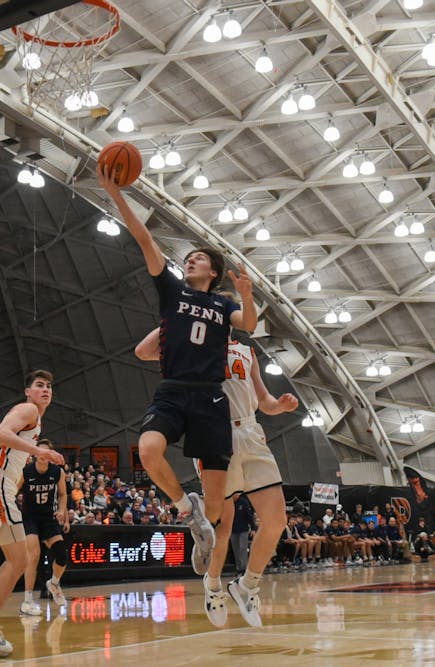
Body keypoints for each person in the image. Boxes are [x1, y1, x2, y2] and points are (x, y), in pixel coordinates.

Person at [99, 164, 257, 575]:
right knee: (148, 451)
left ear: (214, 272)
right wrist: (115, 193)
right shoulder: (171, 292)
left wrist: (245, 296)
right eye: (187, 258)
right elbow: (144, 238)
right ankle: (189, 511)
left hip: (211, 396)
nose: (190, 261)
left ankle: (206, 520)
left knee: (221, 506)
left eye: (199, 258)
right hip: (173, 389)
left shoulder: (224, 305)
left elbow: (251, 326)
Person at [137, 328, 296, 627]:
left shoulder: (247, 352)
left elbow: (264, 400)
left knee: (276, 521)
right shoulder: (193, 345)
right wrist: (173, 314)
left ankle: (247, 585)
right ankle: (212, 587)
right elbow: (144, 351)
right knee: (220, 528)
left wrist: (280, 406)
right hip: (214, 432)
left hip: (250, 432)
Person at [0, 371, 65, 658]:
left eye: (49, 386)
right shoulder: (28, 409)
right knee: (19, 559)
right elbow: (0, 434)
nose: (45, 389)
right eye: (39, 385)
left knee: (18, 559)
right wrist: (38, 451)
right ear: (27, 391)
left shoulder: (35, 417)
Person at [21, 439, 71, 615]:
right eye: (39, 452)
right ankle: (27, 599)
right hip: (30, 518)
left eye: (46, 452)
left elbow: (63, 494)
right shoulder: (26, 471)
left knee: (62, 555)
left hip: (48, 518)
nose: (43, 455)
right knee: (33, 555)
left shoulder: (57, 472)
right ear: (35, 454)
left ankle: (54, 583)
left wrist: (61, 511)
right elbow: (12, 492)